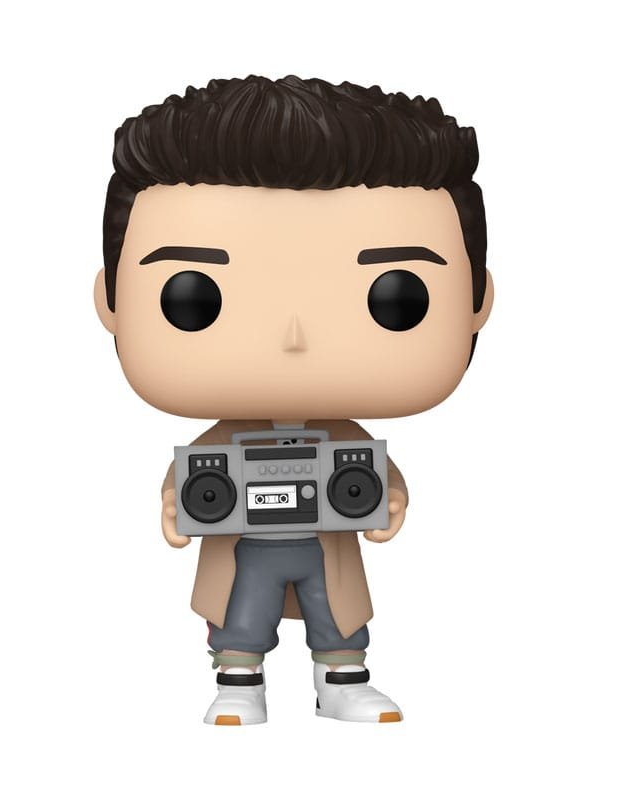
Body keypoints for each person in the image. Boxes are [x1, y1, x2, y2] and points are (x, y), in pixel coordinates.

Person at [93, 75, 494, 725]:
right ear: (112, 301)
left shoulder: (347, 442)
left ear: (476, 301)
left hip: (325, 548)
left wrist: (387, 497)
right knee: (241, 614)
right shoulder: (222, 444)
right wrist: (178, 502)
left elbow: (375, 483)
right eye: (194, 298)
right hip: (243, 549)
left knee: (336, 616)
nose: (293, 337)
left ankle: (341, 679)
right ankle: (238, 680)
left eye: (396, 298)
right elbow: (193, 483)